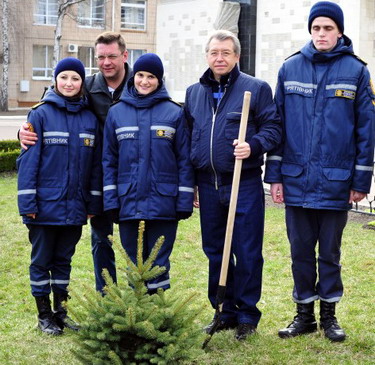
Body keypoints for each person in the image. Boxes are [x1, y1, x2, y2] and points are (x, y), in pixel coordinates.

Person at [265, 1, 375, 342]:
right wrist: (275, 177)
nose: (322, 33)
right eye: (316, 28)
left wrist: (360, 180)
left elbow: (366, 130)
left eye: (328, 28)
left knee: (329, 253)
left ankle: (329, 316)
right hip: (297, 180)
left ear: (339, 31)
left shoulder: (356, 71)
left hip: (336, 182)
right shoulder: (290, 68)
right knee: (300, 252)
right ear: (310, 30)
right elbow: (276, 125)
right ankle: (304, 316)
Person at [184, 30, 282, 341]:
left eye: (226, 53)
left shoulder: (255, 88)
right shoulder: (193, 93)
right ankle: (223, 310)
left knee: (247, 250)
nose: (220, 58)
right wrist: (193, 184)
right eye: (214, 52)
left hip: (244, 183)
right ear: (207, 56)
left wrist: (253, 145)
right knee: (215, 250)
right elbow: (189, 137)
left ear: (237, 56)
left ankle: (247, 315)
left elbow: (274, 128)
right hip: (207, 183)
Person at [19, 32, 133, 293]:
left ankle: (138, 305)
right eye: (101, 57)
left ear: (124, 56)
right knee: (102, 240)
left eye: (112, 56)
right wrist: (22, 133)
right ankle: (107, 300)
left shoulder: (140, 85)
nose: (106, 62)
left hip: (131, 177)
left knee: (132, 242)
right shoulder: (89, 86)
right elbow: (55, 112)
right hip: (98, 178)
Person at [17, 57, 102, 335]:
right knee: (42, 261)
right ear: (55, 81)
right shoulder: (39, 114)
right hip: (43, 208)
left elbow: (94, 168)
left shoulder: (90, 118)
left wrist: (91, 203)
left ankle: (60, 313)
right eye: (64, 77)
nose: (69, 83)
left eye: (75, 78)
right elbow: (28, 163)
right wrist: (27, 204)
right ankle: (43, 316)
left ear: (82, 83)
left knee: (64, 261)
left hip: (75, 208)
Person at [102, 53, 194, 293]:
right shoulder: (116, 112)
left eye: (151, 77)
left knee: (159, 263)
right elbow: (108, 160)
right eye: (140, 75)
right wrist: (111, 200)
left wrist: (184, 200)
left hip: (164, 203)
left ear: (159, 80)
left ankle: (158, 316)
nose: (144, 81)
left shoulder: (174, 112)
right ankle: (137, 317)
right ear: (133, 77)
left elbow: (184, 160)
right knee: (134, 263)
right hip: (127, 202)